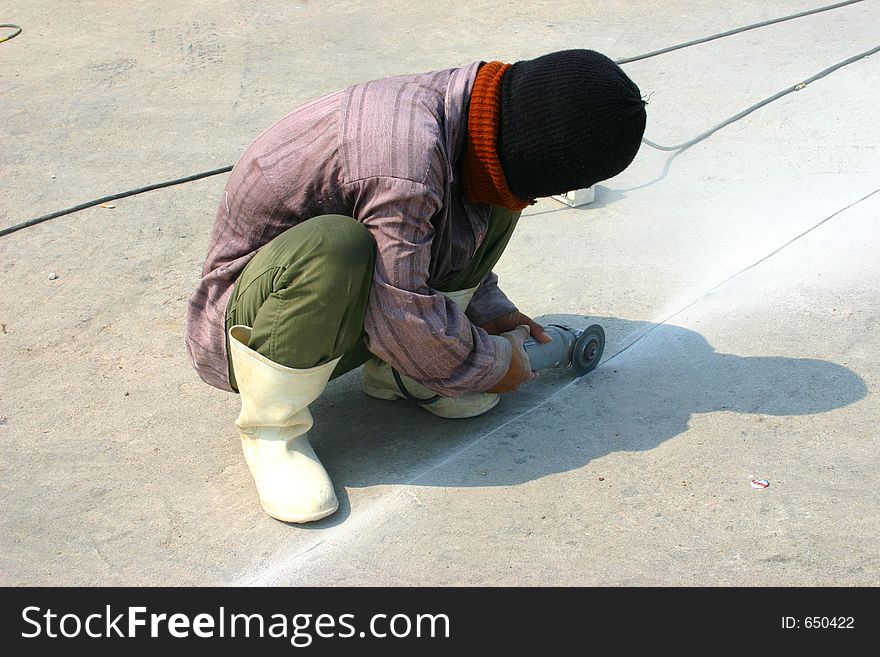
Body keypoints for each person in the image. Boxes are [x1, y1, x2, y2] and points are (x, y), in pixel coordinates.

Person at [186, 49, 647, 523]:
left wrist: (488, 309)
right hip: (253, 324)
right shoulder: (403, 154)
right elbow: (397, 308)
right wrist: (488, 364)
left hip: (358, 298)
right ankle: (271, 429)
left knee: (499, 198)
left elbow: (429, 236)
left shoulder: (471, 110)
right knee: (339, 244)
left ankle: (401, 374)